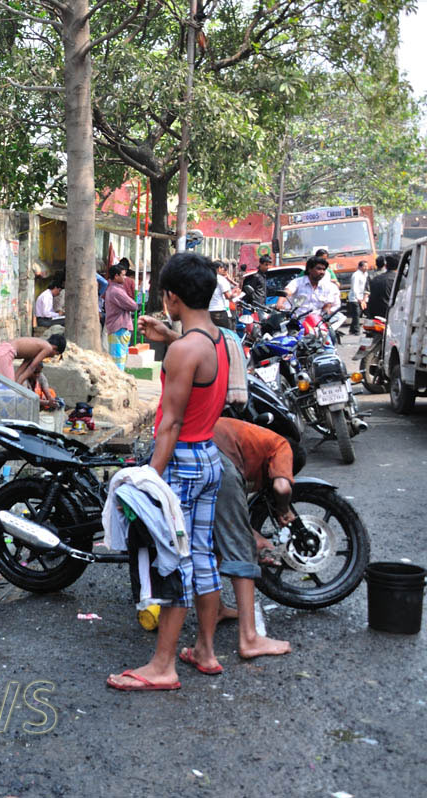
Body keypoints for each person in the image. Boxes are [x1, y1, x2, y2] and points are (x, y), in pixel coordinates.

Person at [108, 252, 228, 691]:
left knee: (174, 562)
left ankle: (162, 666)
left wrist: (148, 479)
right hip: (209, 457)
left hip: (181, 460)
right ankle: (206, 652)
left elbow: (171, 423)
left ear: (171, 297)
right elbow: (193, 361)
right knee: (201, 555)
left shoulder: (183, 350)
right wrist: (169, 335)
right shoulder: (216, 339)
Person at [211, 417, 295, 660]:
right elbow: (282, 488)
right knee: (242, 546)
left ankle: (216, 610)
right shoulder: (282, 444)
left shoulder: (254, 436)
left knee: (210, 539)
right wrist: (283, 509)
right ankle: (249, 638)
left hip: (193, 447)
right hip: (218, 457)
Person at [0, 335, 66, 394]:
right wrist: (16, 386)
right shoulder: (48, 348)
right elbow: (31, 368)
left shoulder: (37, 348)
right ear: (55, 348)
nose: (52, 356)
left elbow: (23, 367)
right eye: (55, 354)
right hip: (5, 354)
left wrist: (16, 383)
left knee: (4, 388)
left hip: (0, 351)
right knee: (7, 391)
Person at [103, 264, 139, 370]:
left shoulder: (113, 289)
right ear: (116, 276)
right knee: (118, 360)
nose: (125, 278)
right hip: (119, 328)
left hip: (117, 328)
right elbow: (133, 305)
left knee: (119, 358)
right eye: (123, 275)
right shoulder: (116, 291)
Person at [365, 253, 399, 320]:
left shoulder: (374, 278)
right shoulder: (402, 280)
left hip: (376, 315)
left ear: (386, 266)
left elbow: (370, 294)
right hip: (394, 316)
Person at [208, 260, 239, 329]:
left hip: (207, 311)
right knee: (223, 333)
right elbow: (228, 296)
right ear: (219, 268)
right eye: (223, 268)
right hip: (219, 311)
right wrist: (236, 294)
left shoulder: (206, 278)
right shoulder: (221, 279)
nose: (224, 270)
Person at [346, 259, 371, 335]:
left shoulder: (366, 274)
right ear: (360, 267)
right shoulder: (356, 275)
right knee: (356, 314)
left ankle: (352, 329)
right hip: (355, 298)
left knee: (361, 313)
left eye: (367, 266)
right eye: (365, 266)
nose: (366, 268)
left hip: (364, 298)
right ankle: (356, 330)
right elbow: (354, 287)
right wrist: (358, 298)